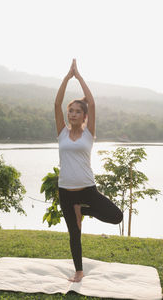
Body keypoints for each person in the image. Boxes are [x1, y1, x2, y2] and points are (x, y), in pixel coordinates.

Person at [55, 59, 123, 282]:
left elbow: (92, 104)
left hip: (87, 190)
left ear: (84, 117)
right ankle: (79, 271)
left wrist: (79, 77)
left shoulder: (88, 134)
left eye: (77, 112)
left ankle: (81, 211)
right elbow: (56, 105)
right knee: (74, 233)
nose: (72, 114)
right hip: (65, 191)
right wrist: (66, 78)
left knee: (116, 216)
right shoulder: (62, 133)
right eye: (70, 111)